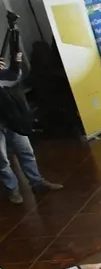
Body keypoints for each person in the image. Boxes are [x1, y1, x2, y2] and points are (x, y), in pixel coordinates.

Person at [0, 52, 62, 204]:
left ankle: (37, 182)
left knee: (26, 151)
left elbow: (12, 78)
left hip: (10, 118)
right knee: (2, 160)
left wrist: (16, 64)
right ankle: (12, 189)